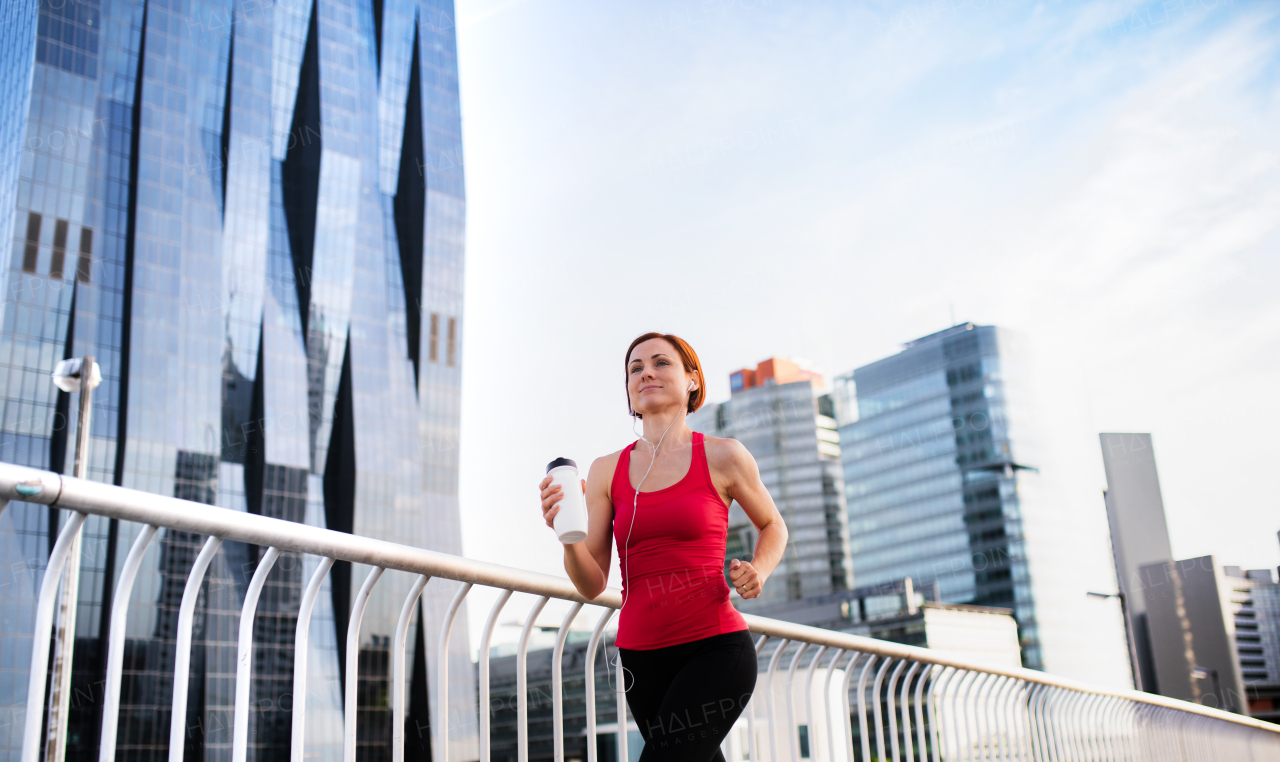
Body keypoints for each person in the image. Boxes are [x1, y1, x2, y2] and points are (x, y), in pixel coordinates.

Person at [539, 332, 788, 762]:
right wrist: (567, 536)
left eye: (661, 363)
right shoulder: (605, 471)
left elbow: (773, 525)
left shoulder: (724, 456)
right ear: (629, 391)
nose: (646, 372)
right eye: (635, 368)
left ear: (692, 380)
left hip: (715, 648)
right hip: (640, 660)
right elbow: (591, 583)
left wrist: (759, 571)